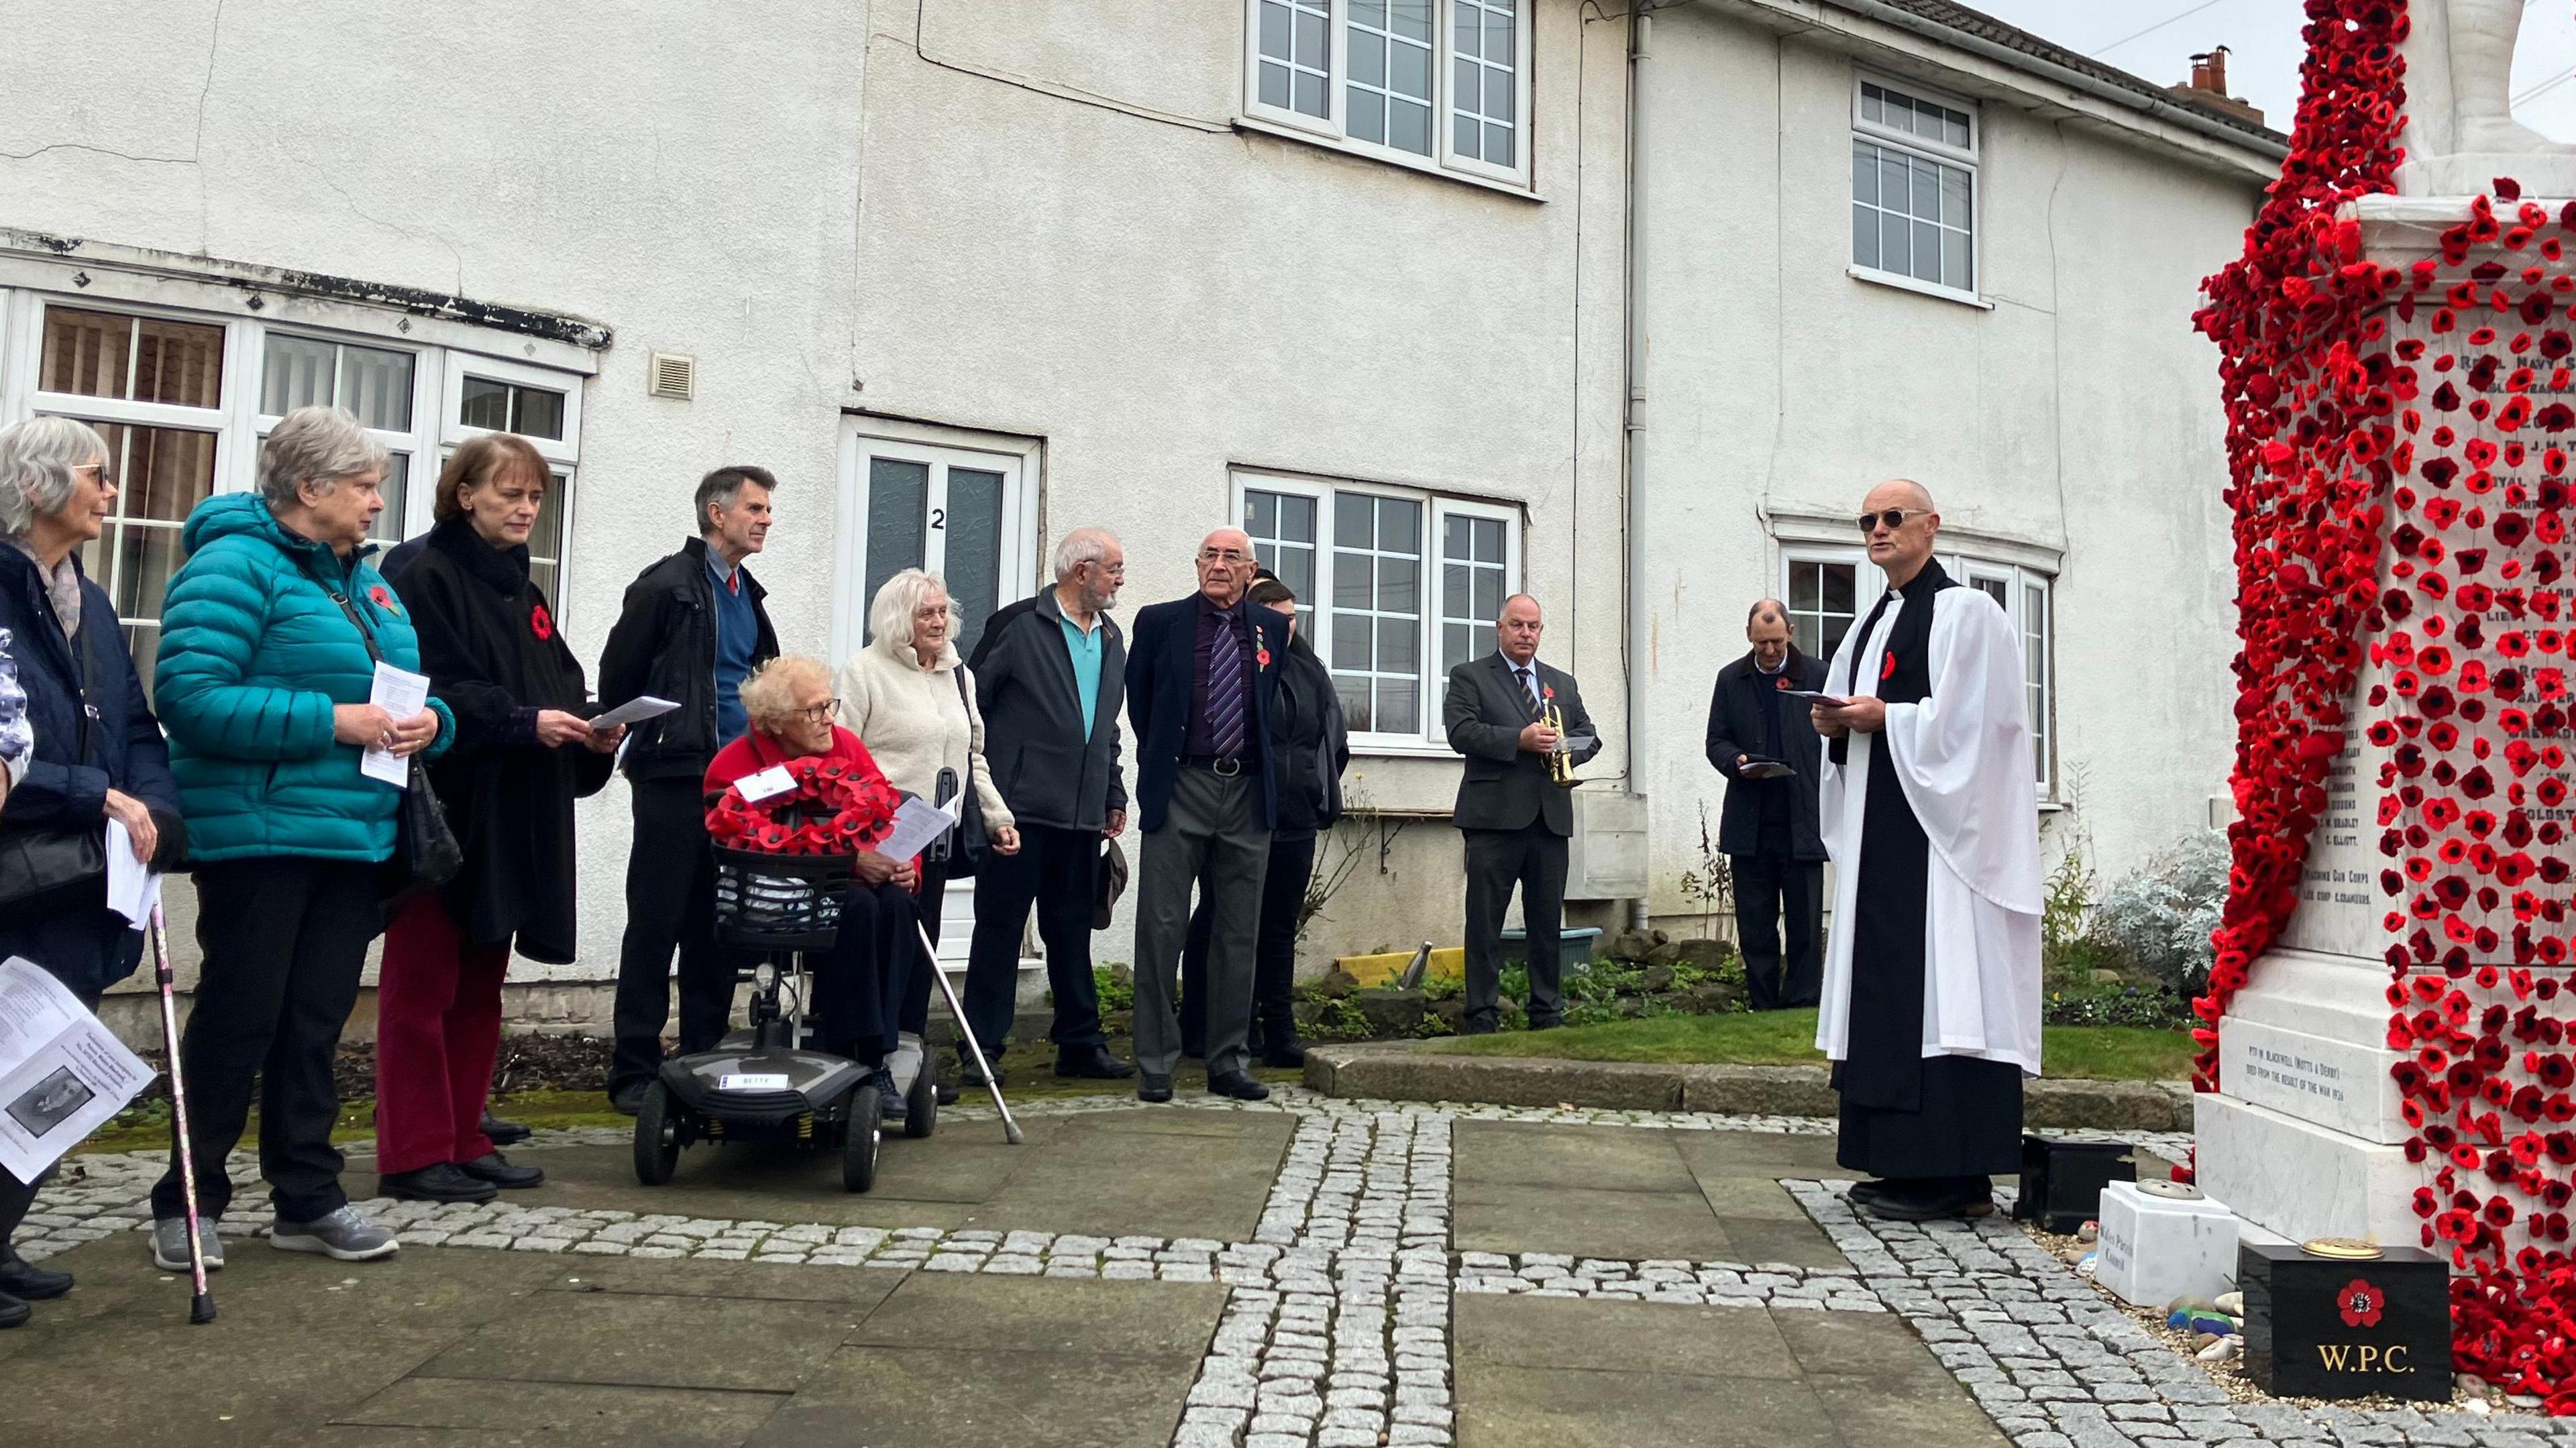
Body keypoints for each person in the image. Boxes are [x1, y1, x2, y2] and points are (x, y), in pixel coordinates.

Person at [150, 406, 454, 1268]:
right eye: (362, 487)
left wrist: (434, 721)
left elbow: (407, 690)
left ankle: (307, 1192)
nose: (374, 503)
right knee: (241, 1016)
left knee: (317, 1020)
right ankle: (188, 1195)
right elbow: (191, 698)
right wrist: (334, 722)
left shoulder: (368, 580)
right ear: (309, 488)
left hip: (354, 832)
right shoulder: (231, 566)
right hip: (261, 832)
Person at [374, 437, 623, 1203]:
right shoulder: (419, 572)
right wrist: (522, 722)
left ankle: (463, 1137)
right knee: (422, 985)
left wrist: (592, 724)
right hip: (445, 811)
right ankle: (413, 1152)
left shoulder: (523, 586)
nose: (525, 509)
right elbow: (426, 685)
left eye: (536, 497)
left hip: (516, 809)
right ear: (463, 495)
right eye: (509, 493)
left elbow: (560, 677)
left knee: (483, 982)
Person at [1811, 480, 2043, 1223]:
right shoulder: (1871, 622)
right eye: (1866, 521)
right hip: (1887, 835)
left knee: (1944, 989)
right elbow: (1859, 716)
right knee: (1885, 987)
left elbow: (1983, 728)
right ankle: (1899, 1164)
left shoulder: (1970, 615)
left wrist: (1889, 718)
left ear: (1931, 527)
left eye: (1891, 518)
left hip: (1944, 846)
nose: (1877, 530)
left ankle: (1952, 1174)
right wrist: (1837, 727)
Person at [0, 417, 176, 1327]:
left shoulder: (92, 599)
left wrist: (156, 807)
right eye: (97, 475)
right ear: (39, 487)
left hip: (83, 874)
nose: (112, 492)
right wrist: (93, 794)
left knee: (50, 1065)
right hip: (17, 869)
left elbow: (133, 723)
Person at [598, 465, 779, 1114]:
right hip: (675, 776)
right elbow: (618, 675)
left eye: (767, 510)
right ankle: (634, 1068)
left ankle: (704, 1049)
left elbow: (764, 682)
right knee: (657, 920)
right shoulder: (668, 586)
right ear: (716, 511)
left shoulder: (748, 595)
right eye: (754, 508)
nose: (764, 519)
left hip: (741, 784)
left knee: (716, 922)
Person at [835, 569, 1019, 1113]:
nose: (940, 622)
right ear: (899, 620)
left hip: (935, 836)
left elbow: (973, 756)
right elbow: (841, 753)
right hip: (882, 838)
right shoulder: (865, 671)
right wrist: (862, 832)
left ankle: (909, 1059)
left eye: (943, 611)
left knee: (923, 951)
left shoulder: (958, 674)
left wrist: (996, 816)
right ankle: (873, 1058)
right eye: (927, 614)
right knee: (888, 946)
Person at [707, 657, 924, 1101]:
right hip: (777, 898)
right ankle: (848, 1047)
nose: (829, 718)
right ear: (776, 723)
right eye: (814, 710)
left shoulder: (846, 746)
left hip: (849, 887)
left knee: (900, 904)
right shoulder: (736, 765)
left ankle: (875, 1053)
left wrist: (906, 865)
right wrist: (847, 860)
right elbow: (738, 844)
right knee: (858, 907)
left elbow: (887, 814)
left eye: (829, 705)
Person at [1124, 528, 1292, 1103]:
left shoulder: (1271, 628)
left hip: (1247, 792)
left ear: (1252, 571)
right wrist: (1168, 769)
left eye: (1231, 558)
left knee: (1238, 934)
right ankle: (1155, 1063)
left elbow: (1266, 710)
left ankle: (1228, 1060)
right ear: (1196, 565)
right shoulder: (1159, 621)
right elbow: (1141, 706)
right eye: (1209, 556)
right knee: (1161, 928)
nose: (1218, 566)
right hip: (1181, 786)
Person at [964, 528, 1132, 1081]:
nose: (1120, 580)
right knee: (1000, 929)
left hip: (1081, 815)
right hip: (1018, 812)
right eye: (1113, 568)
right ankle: (982, 1049)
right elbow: (970, 704)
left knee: (1072, 931)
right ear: (1080, 571)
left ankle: (1079, 1044)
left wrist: (1112, 791)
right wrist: (986, 794)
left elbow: (1104, 726)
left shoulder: (1111, 638)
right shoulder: (1017, 624)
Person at [1180, 576, 1346, 1068]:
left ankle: (1280, 1029)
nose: (1290, 626)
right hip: (1242, 812)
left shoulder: (1309, 670)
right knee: (1224, 920)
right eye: (1280, 617)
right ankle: (1214, 1024)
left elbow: (1329, 737)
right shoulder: (1239, 664)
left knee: (1278, 926)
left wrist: (1317, 790)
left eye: (1295, 617)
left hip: (1296, 815)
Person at [1444, 594, 1602, 1034]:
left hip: (1550, 818)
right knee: (1484, 922)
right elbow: (1461, 732)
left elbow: (1590, 736)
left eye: (1533, 626)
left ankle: (1547, 1012)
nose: (1526, 634)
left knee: (1547, 922)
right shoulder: (1470, 676)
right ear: (1500, 627)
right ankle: (1481, 1014)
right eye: (1517, 625)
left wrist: (1564, 749)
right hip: (1493, 818)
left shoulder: (1561, 683)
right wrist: (1520, 738)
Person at [1704, 599, 1831, 1011]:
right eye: (1762, 644)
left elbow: (1836, 740)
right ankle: (1762, 1004)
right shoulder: (1730, 679)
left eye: (1776, 642)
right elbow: (1716, 741)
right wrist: (1736, 761)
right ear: (1749, 637)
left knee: (1805, 924)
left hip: (1802, 820)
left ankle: (1802, 1002)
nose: (1771, 651)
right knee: (1756, 923)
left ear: (1791, 633)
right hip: (1750, 821)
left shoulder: (1818, 675)